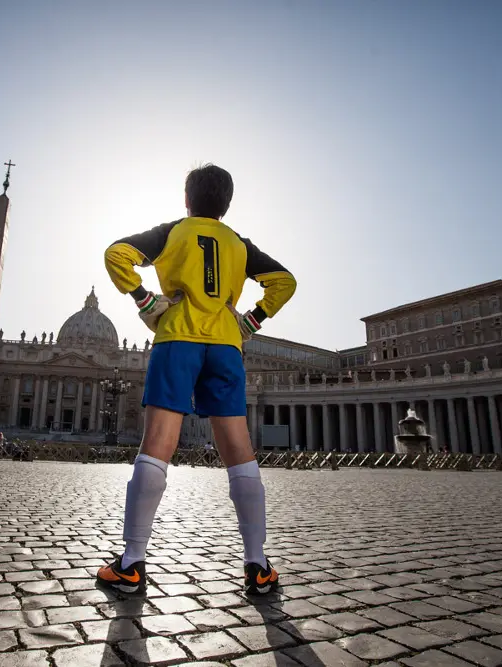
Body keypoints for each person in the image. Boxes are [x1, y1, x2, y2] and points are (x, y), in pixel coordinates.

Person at [97, 164, 296, 596]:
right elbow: (284, 282)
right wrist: (251, 321)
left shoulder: (174, 231)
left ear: (187, 199)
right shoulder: (239, 244)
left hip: (177, 340)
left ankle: (132, 563)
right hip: (226, 346)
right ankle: (257, 566)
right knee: (239, 451)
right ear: (226, 205)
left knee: (157, 445)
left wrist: (146, 299)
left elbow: (116, 253)